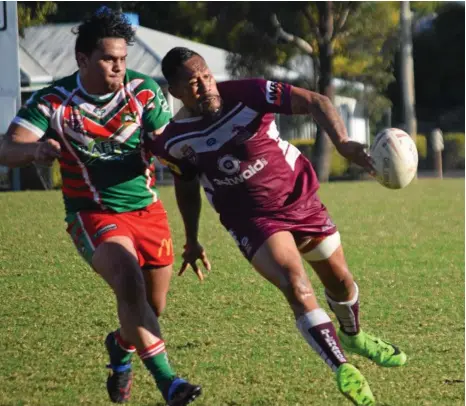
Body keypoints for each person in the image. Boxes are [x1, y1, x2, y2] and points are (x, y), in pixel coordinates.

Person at [150, 47, 408, 406]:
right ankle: (342, 367)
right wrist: (191, 240)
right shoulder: (174, 141)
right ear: (175, 92)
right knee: (295, 282)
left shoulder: (249, 93)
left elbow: (316, 102)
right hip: (252, 220)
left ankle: (354, 335)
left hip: (299, 199)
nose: (205, 86)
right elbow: (186, 186)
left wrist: (345, 144)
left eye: (206, 76)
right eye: (193, 83)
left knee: (341, 281)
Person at [0, 11, 201, 406]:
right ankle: (170, 384)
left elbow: (163, 142)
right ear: (83, 60)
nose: (119, 67)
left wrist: (178, 153)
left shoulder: (143, 91)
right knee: (128, 283)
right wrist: (35, 150)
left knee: (149, 309)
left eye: (123, 59)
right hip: (92, 213)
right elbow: (7, 147)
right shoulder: (54, 100)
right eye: (110, 59)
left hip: (147, 211)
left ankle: (119, 348)